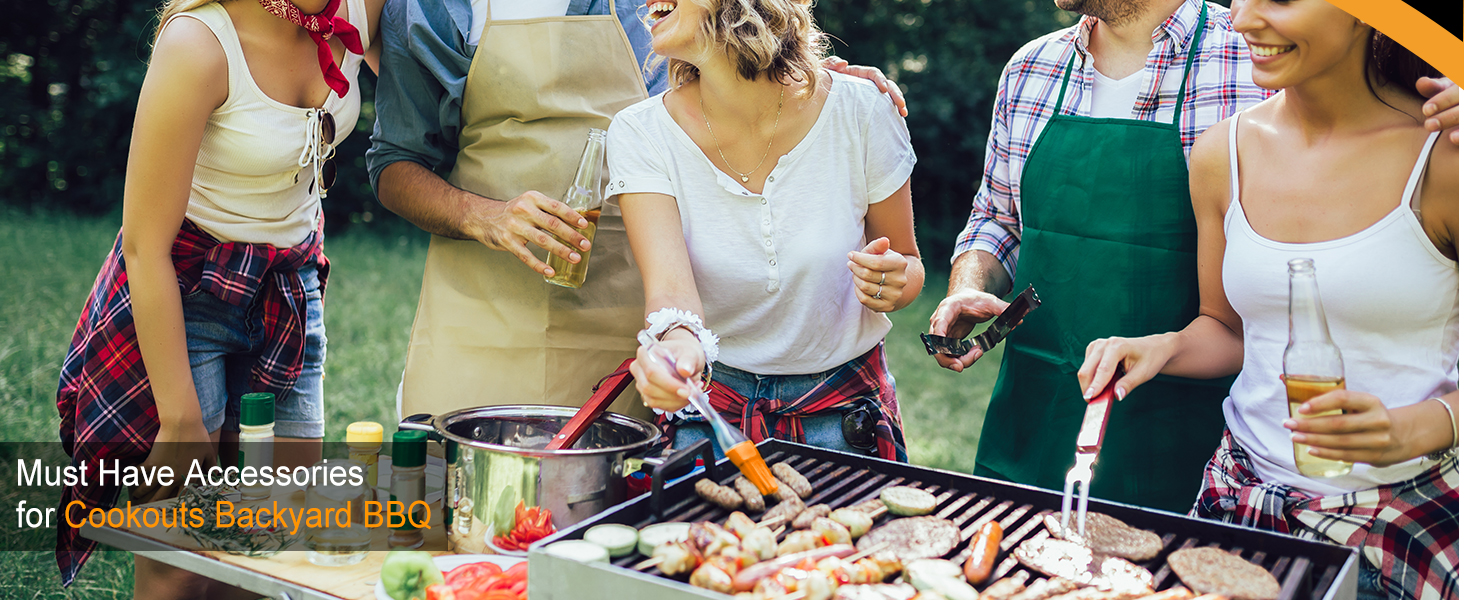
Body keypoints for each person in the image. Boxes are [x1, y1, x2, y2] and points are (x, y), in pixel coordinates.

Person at [925, 0, 1459, 513]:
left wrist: (1416, 427)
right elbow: (997, 215)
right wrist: (969, 286)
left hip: (1198, 439)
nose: (1250, 17)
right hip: (1065, 424)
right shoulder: (1032, 70)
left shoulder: (1264, 58)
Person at [366, 0, 905, 422]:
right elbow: (395, 163)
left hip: (634, 302)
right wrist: (482, 216)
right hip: (483, 305)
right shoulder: (425, 8)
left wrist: (806, 75)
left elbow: (732, 61)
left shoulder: (653, 8)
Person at [1076, 1, 1457, 597]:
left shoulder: (1445, 158)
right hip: (1239, 504)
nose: (1245, 17)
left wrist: (1418, 428)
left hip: (1404, 521)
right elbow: (1226, 329)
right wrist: (1164, 346)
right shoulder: (1222, 154)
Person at [55, 0, 381, 594]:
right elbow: (144, 247)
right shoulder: (199, 44)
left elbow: (438, 70)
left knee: (272, 536)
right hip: (191, 293)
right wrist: (181, 422)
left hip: (287, 291)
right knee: (181, 549)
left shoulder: (362, 10)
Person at [610, 0, 921, 460]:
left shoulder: (862, 111)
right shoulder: (640, 133)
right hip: (709, 419)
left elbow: (909, 266)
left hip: (846, 416)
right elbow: (671, 294)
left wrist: (894, 282)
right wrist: (677, 345)